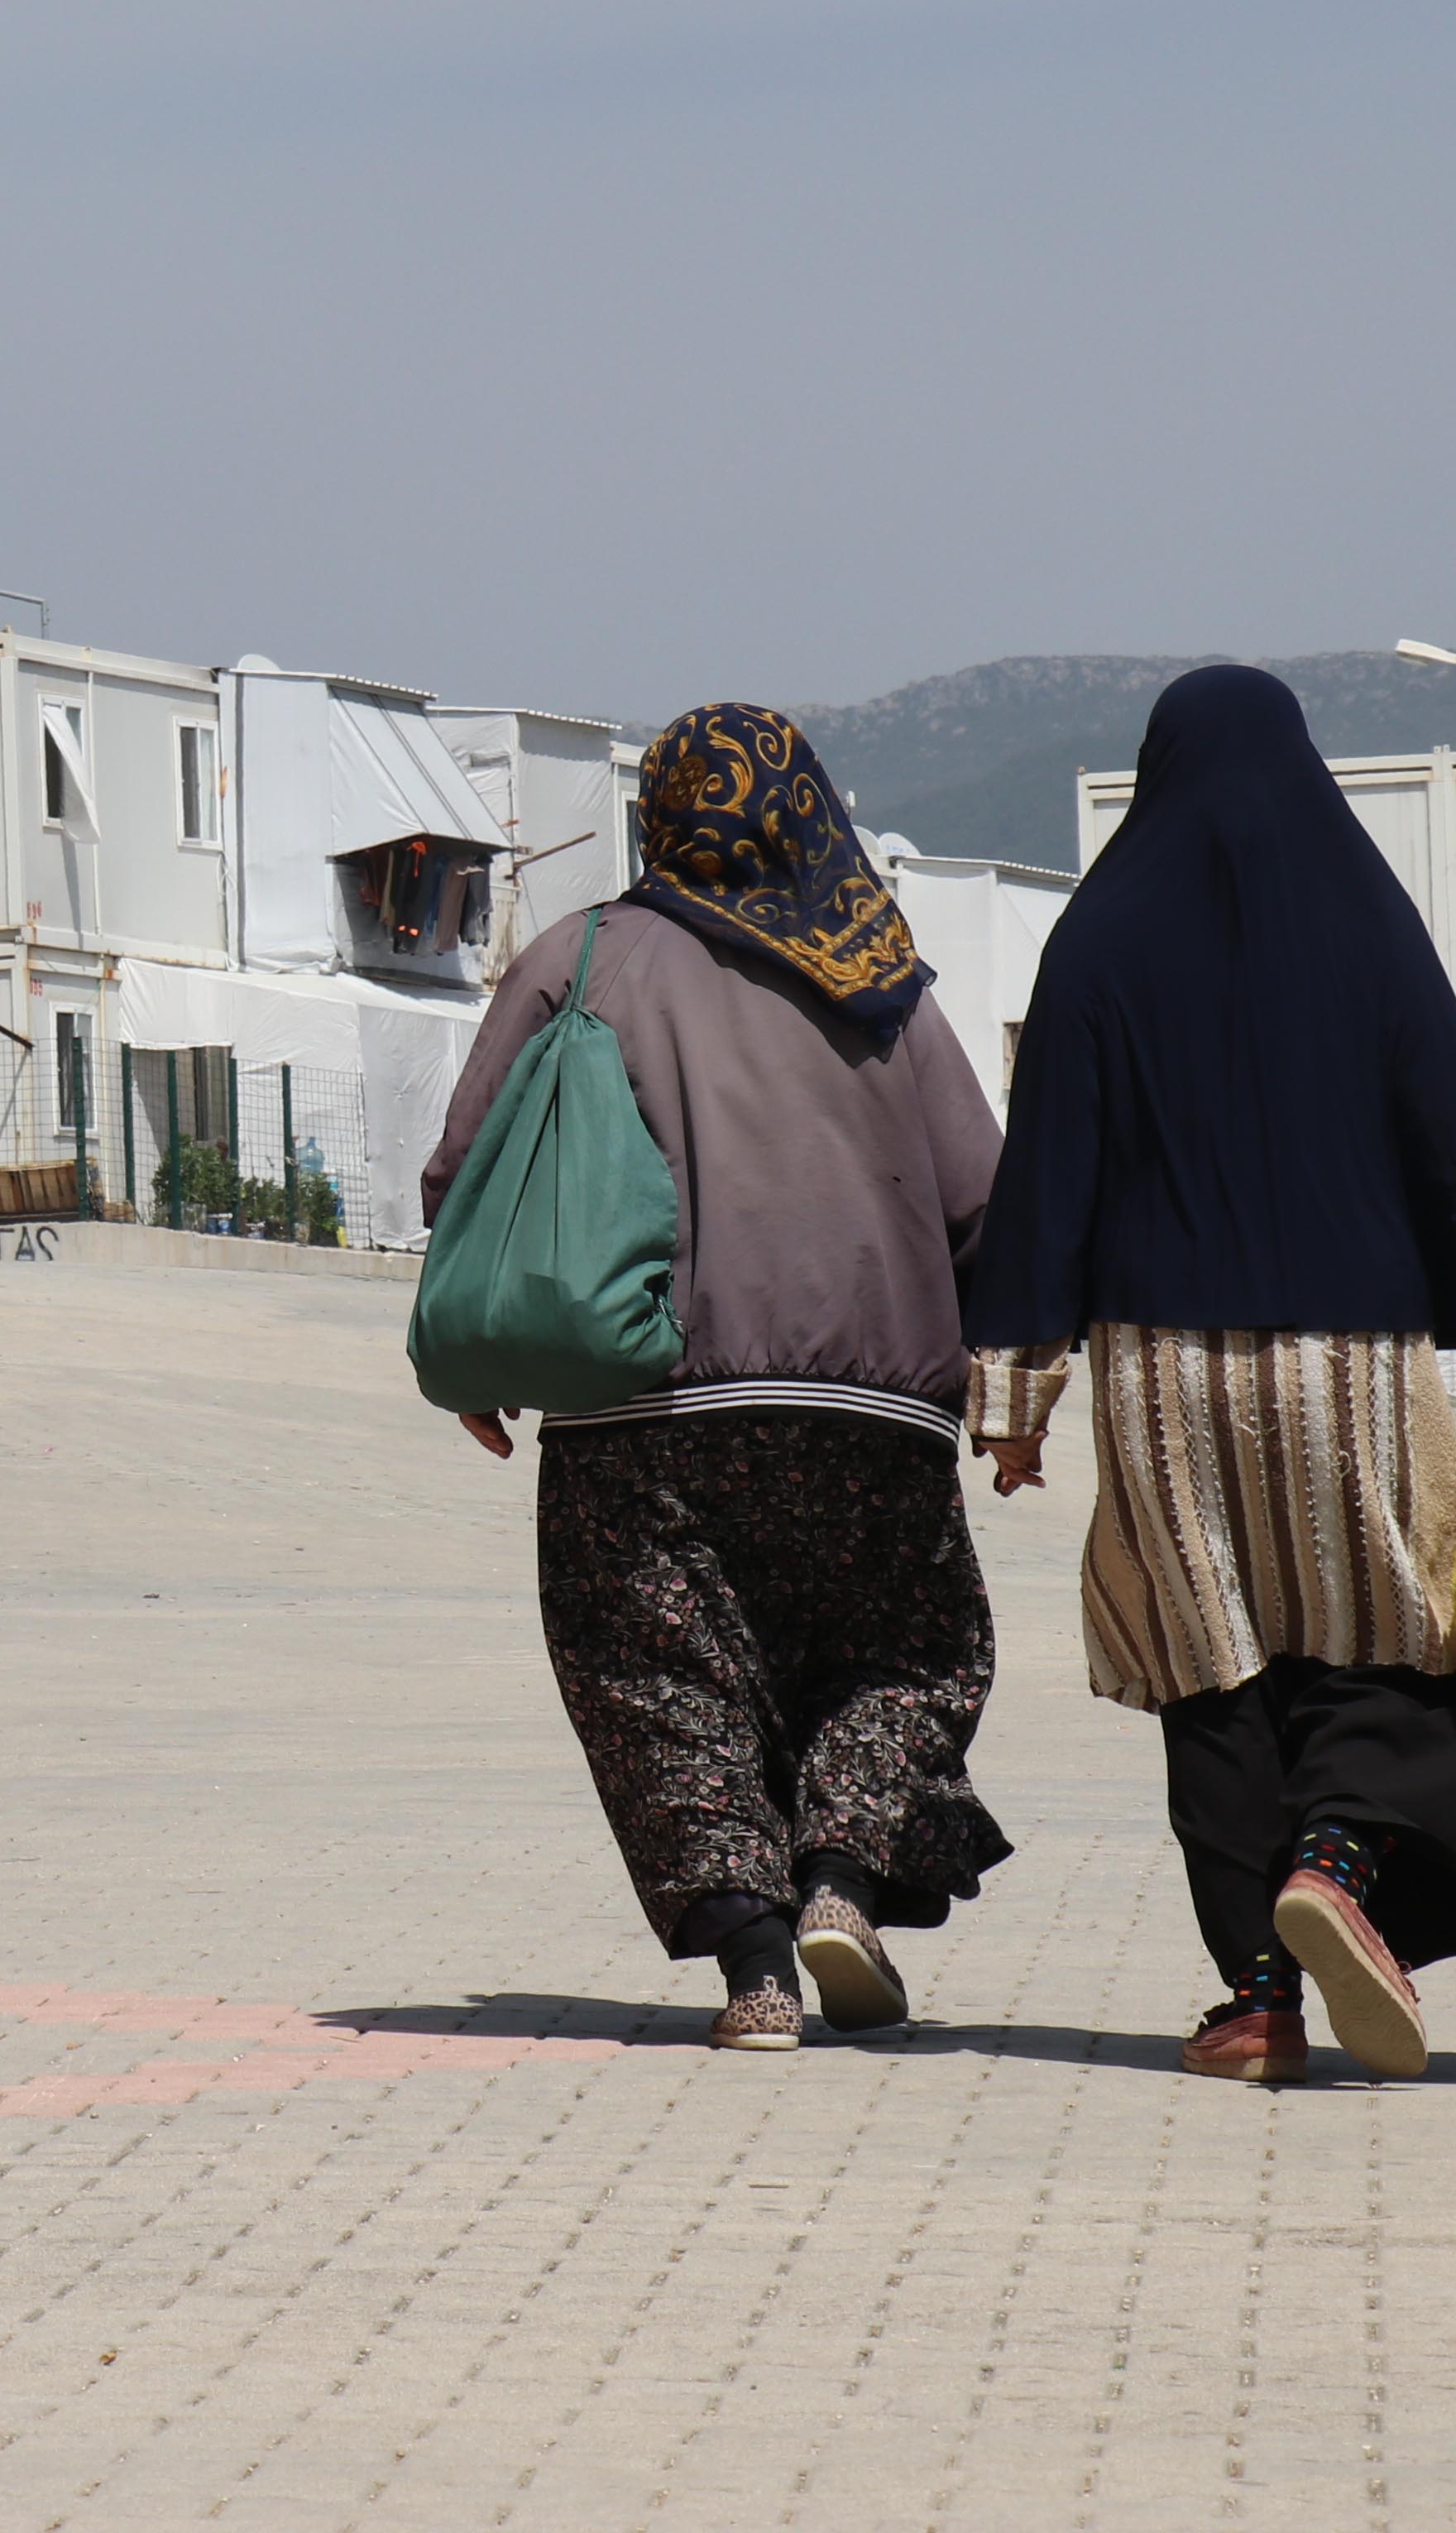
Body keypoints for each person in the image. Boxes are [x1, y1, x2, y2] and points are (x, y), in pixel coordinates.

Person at [964, 664, 1456, 2085]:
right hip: (1350, 1368)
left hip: (1160, 1378)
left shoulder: (1099, 938)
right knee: (1387, 1644)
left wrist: (1014, 1409)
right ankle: (1336, 1860)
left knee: (1215, 1675)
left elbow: (1046, 1183)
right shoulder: (1364, 919)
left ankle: (1259, 1999)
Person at [419, 704, 1017, 2053]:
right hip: (875, 1409)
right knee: (902, 1654)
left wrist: (481, 1355)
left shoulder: (579, 959)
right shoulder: (882, 983)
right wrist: (994, 1355)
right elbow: (984, 1200)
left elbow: (474, 1171)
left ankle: (754, 1971)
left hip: (642, 1406)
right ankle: (843, 1888)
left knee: (657, 1675)